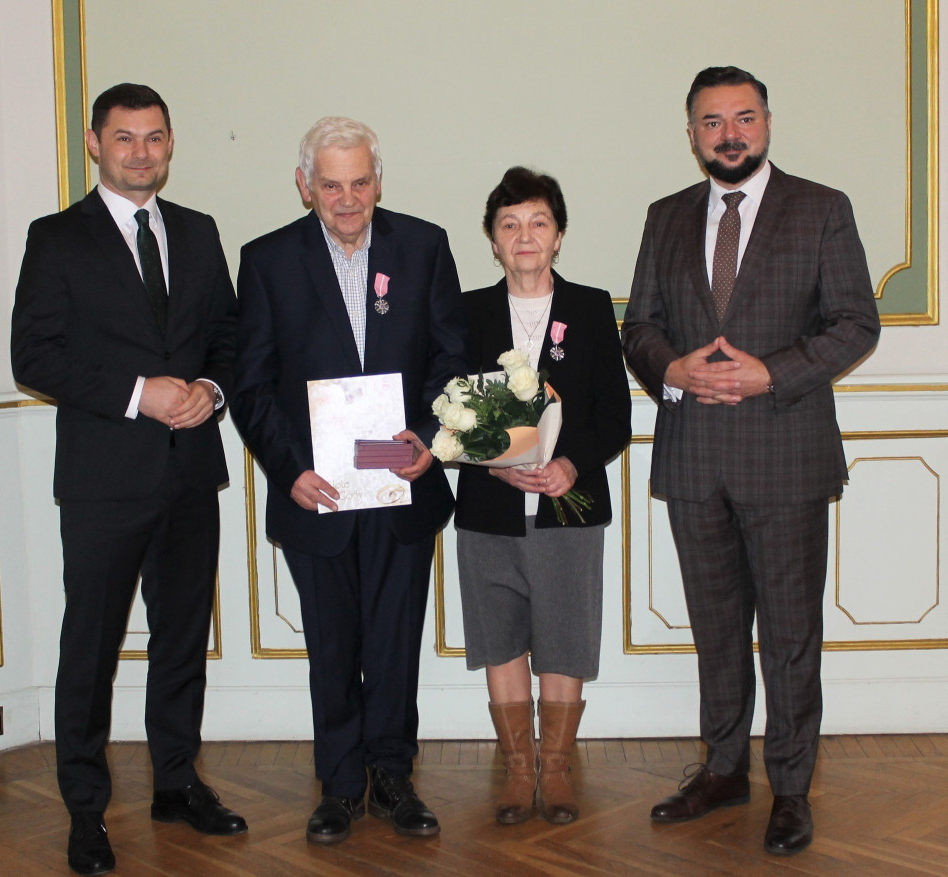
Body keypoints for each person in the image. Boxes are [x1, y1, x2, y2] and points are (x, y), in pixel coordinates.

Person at [622, 66, 880, 855]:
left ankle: (791, 787)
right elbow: (639, 328)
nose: (728, 133)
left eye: (743, 118)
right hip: (695, 457)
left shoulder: (821, 209)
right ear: (692, 133)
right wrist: (674, 369)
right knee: (718, 629)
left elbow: (855, 323)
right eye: (711, 122)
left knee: (793, 633)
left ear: (767, 123)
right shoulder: (665, 217)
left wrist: (774, 370)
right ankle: (724, 767)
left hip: (787, 455)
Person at [11, 83, 245, 876]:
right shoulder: (57, 238)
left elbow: (228, 337)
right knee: (92, 647)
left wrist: (211, 391)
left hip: (189, 474)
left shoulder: (200, 231)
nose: (140, 152)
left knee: (182, 641)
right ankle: (85, 808)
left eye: (154, 138)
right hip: (104, 480)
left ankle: (176, 781)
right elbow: (34, 355)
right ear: (94, 143)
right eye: (124, 138)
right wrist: (141, 394)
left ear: (171, 143)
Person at [229, 117, 467, 845]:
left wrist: (428, 439)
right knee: (333, 643)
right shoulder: (267, 260)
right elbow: (252, 383)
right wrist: (289, 468)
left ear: (378, 180)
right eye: (331, 184)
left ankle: (393, 776)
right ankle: (338, 785)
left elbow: (451, 357)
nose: (347, 197)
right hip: (319, 492)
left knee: (395, 639)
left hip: (401, 486)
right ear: (306, 186)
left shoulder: (423, 246)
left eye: (360, 181)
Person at [454, 167, 631, 825]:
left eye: (537, 223)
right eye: (509, 225)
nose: (524, 236)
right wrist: (493, 464)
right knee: (501, 638)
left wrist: (572, 466)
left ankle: (555, 770)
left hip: (569, 505)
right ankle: (517, 769)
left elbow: (614, 415)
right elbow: (450, 410)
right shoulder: (467, 311)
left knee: (564, 635)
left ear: (558, 236)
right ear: (493, 241)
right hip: (488, 508)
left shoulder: (589, 307)